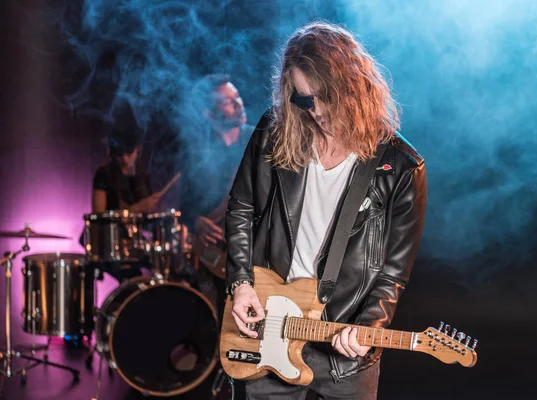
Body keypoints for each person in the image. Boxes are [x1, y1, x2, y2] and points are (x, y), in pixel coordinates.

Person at [225, 22, 427, 399]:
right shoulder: (276, 130)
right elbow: (241, 206)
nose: (315, 111)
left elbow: (394, 272)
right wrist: (240, 284)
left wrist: (368, 326)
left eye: (325, 97)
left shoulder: (402, 166)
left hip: (343, 352)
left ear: (354, 86)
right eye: (303, 100)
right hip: (269, 325)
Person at [178, 74, 254, 317]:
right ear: (209, 114)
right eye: (228, 101)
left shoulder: (258, 141)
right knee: (212, 316)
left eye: (237, 97)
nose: (239, 103)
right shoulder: (198, 151)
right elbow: (185, 204)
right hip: (213, 254)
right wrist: (196, 221)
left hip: (252, 249)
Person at [88, 127, 160, 281]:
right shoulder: (104, 174)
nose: (126, 160)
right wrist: (138, 208)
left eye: (129, 154)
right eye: (121, 155)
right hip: (110, 244)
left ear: (137, 150)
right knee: (133, 280)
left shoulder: (141, 177)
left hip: (135, 242)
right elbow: (99, 216)